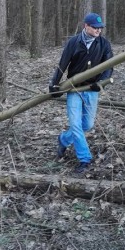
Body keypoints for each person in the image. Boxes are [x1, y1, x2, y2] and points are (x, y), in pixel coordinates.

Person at [49, 13, 113, 173]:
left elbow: (109, 66)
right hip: (74, 89)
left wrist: (102, 82)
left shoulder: (104, 43)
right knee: (76, 124)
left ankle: (63, 139)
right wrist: (54, 83)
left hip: (92, 89)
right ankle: (85, 159)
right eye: (95, 27)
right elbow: (62, 63)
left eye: (100, 28)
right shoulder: (74, 42)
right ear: (86, 26)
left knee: (87, 125)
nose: (98, 30)